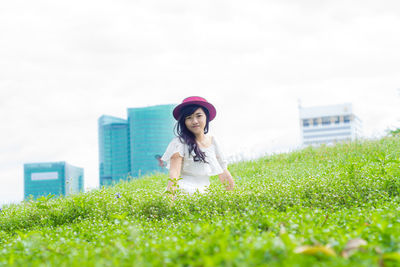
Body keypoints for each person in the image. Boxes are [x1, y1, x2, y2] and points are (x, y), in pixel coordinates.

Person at [161, 96, 235, 196]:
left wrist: (234, 198)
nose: (195, 121)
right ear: (184, 122)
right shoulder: (179, 143)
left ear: (206, 117)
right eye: (189, 118)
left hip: (205, 196)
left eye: (198, 116)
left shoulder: (213, 141)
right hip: (183, 196)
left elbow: (223, 171)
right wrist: (169, 205)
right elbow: (174, 176)